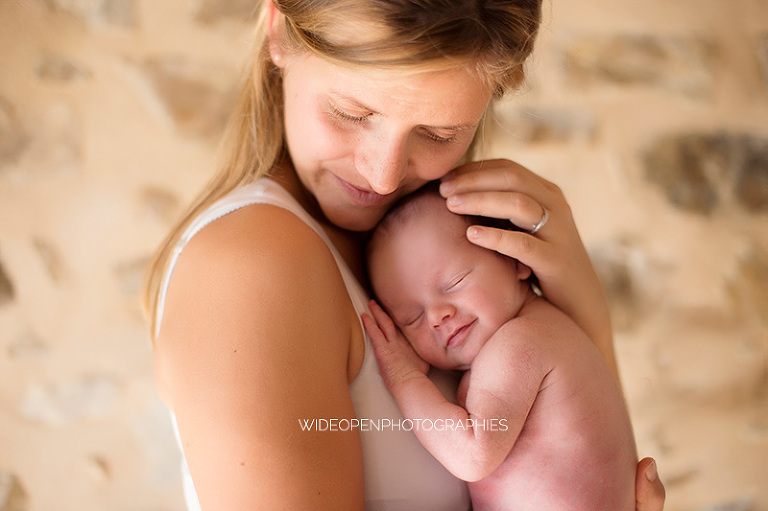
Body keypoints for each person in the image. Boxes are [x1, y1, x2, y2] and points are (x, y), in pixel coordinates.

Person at [141, 1, 666, 509]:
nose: (384, 176)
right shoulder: (252, 266)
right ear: (278, 31)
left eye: (439, 134)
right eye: (351, 113)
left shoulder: (435, 254)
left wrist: (581, 313)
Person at [363, 185, 638, 510]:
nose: (436, 316)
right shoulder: (541, 331)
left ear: (515, 260)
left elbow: (472, 453)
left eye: (455, 282)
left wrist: (405, 379)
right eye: (412, 318)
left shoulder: (521, 341)